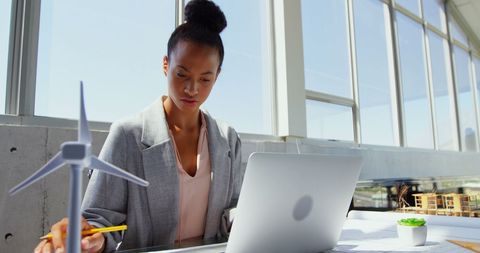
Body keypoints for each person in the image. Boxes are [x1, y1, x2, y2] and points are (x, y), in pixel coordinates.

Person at [34, 0, 244, 252]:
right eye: (182, 74)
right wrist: (91, 239)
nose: (192, 89)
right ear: (166, 64)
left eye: (205, 79)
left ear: (218, 75)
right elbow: (98, 221)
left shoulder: (228, 139)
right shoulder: (127, 135)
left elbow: (232, 210)